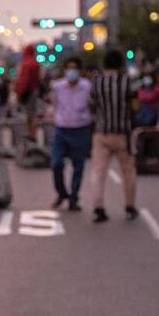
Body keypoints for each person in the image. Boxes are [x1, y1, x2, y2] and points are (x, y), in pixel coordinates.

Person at [89, 50, 138, 223]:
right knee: (128, 171)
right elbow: (135, 106)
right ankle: (129, 207)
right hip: (123, 132)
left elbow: (92, 105)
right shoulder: (127, 82)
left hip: (101, 132)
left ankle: (98, 207)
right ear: (121, 64)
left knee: (98, 171)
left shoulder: (97, 82)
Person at [50, 57, 92, 211]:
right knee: (56, 164)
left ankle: (74, 197)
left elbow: (91, 106)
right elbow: (55, 105)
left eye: (75, 68)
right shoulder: (58, 87)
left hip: (81, 129)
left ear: (80, 71)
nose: (72, 71)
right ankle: (62, 193)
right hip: (62, 129)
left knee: (78, 166)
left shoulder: (87, 87)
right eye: (69, 68)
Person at [16, 44, 41, 140]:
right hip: (34, 90)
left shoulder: (26, 63)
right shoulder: (35, 63)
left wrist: (20, 92)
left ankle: (30, 134)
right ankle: (33, 133)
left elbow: (24, 80)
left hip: (27, 92)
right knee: (33, 114)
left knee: (28, 114)